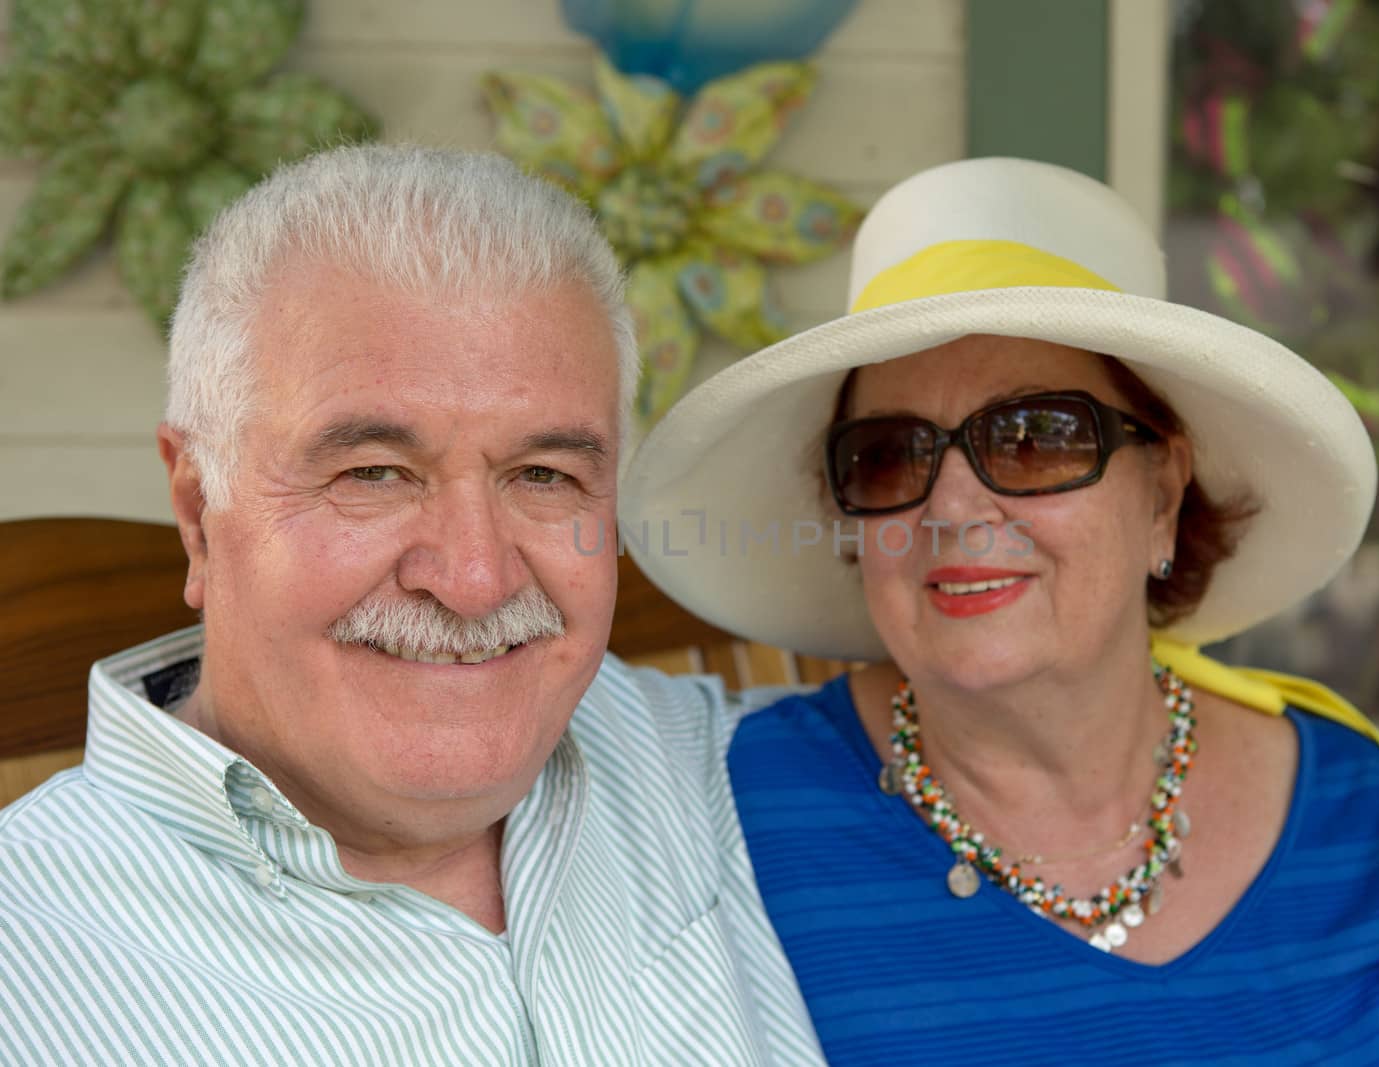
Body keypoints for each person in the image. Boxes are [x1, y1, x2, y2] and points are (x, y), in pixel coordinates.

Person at [619, 157, 1379, 1064]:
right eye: (890, 455)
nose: (950, 507)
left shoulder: (1364, 822)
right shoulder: (730, 811)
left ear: (1162, 496)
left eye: (1035, 438)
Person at [0, 145, 824, 1066]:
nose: (473, 578)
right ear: (199, 513)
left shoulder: (707, 761)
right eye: (374, 474)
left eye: (544, 475)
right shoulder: (26, 961)